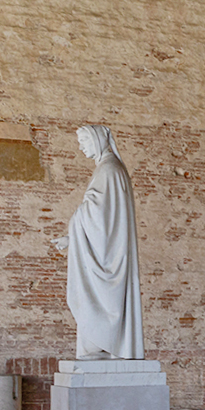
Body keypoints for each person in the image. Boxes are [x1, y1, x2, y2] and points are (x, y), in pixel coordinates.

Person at [53, 125, 144, 360]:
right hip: (107, 246)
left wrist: (74, 232)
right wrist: (73, 237)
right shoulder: (109, 169)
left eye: (84, 141)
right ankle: (102, 345)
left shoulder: (109, 170)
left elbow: (96, 210)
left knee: (96, 298)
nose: (82, 148)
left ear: (97, 139)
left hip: (109, 254)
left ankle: (103, 344)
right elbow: (101, 215)